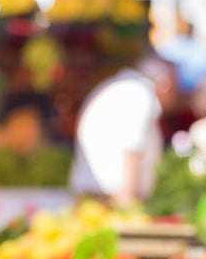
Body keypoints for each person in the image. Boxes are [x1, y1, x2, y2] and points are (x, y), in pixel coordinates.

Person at [69, 55, 177, 205]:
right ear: (165, 84)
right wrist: (128, 203)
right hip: (110, 199)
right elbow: (131, 149)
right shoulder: (140, 94)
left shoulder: (120, 87)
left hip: (97, 195)